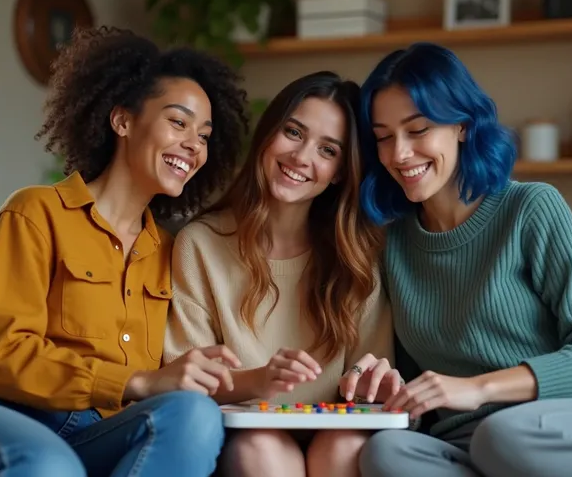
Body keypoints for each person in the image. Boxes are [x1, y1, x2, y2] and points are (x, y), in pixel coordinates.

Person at [0, 26, 249, 477]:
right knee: (47, 464)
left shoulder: (169, 251)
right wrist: (137, 382)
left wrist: (261, 378)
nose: (195, 144)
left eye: (205, 135)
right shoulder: (35, 212)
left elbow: (173, 378)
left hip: (88, 425)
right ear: (122, 120)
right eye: (178, 122)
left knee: (194, 415)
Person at [353, 42, 572, 477]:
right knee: (385, 453)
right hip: (471, 441)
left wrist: (478, 389)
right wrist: (391, 389)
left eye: (417, 130)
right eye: (383, 137)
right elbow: (418, 379)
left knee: (502, 436)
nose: (398, 154)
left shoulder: (531, 208)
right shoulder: (393, 244)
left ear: (461, 125)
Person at [163, 71, 399, 477]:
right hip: (247, 434)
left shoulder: (356, 256)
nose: (302, 157)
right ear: (269, 133)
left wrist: (370, 381)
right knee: (262, 448)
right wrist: (259, 380)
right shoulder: (199, 244)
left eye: (328, 150)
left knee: (344, 447)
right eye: (293, 132)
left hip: (336, 430)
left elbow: (370, 380)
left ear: (341, 171)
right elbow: (188, 381)